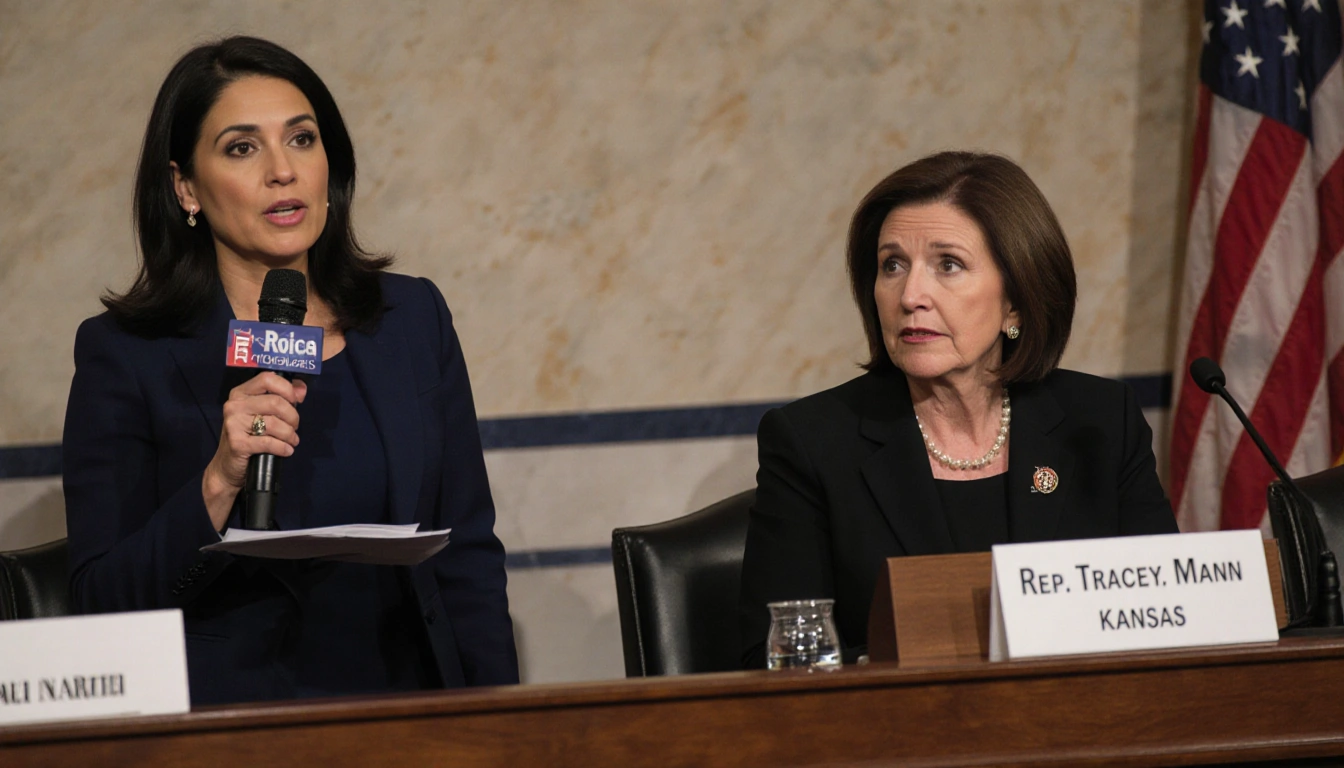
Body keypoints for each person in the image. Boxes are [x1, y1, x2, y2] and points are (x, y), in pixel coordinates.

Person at [61, 36, 518, 704]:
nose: (283, 171)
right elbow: (100, 601)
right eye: (242, 148)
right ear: (185, 185)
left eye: (302, 139)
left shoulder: (411, 319)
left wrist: (502, 727)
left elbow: (468, 553)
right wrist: (217, 483)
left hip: (410, 711)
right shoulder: (127, 354)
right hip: (229, 726)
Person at [738, 151, 1179, 669]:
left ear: (1016, 300)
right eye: (892, 265)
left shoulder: (1101, 422)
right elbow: (773, 661)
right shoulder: (812, 443)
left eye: (948, 265)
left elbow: (1168, 616)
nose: (910, 295)